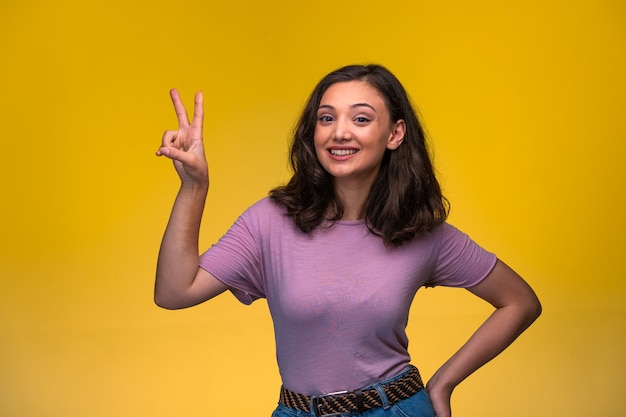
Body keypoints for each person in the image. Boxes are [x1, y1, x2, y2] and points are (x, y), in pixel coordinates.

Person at [154, 64, 542, 417]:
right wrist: (194, 187)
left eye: (360, 118)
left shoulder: (421, 231)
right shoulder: (269, 221)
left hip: (396, 409)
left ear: (394, 133)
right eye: (327, 118)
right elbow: (174, 292)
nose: (340, 131)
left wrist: (443, 383)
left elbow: (520, 302)